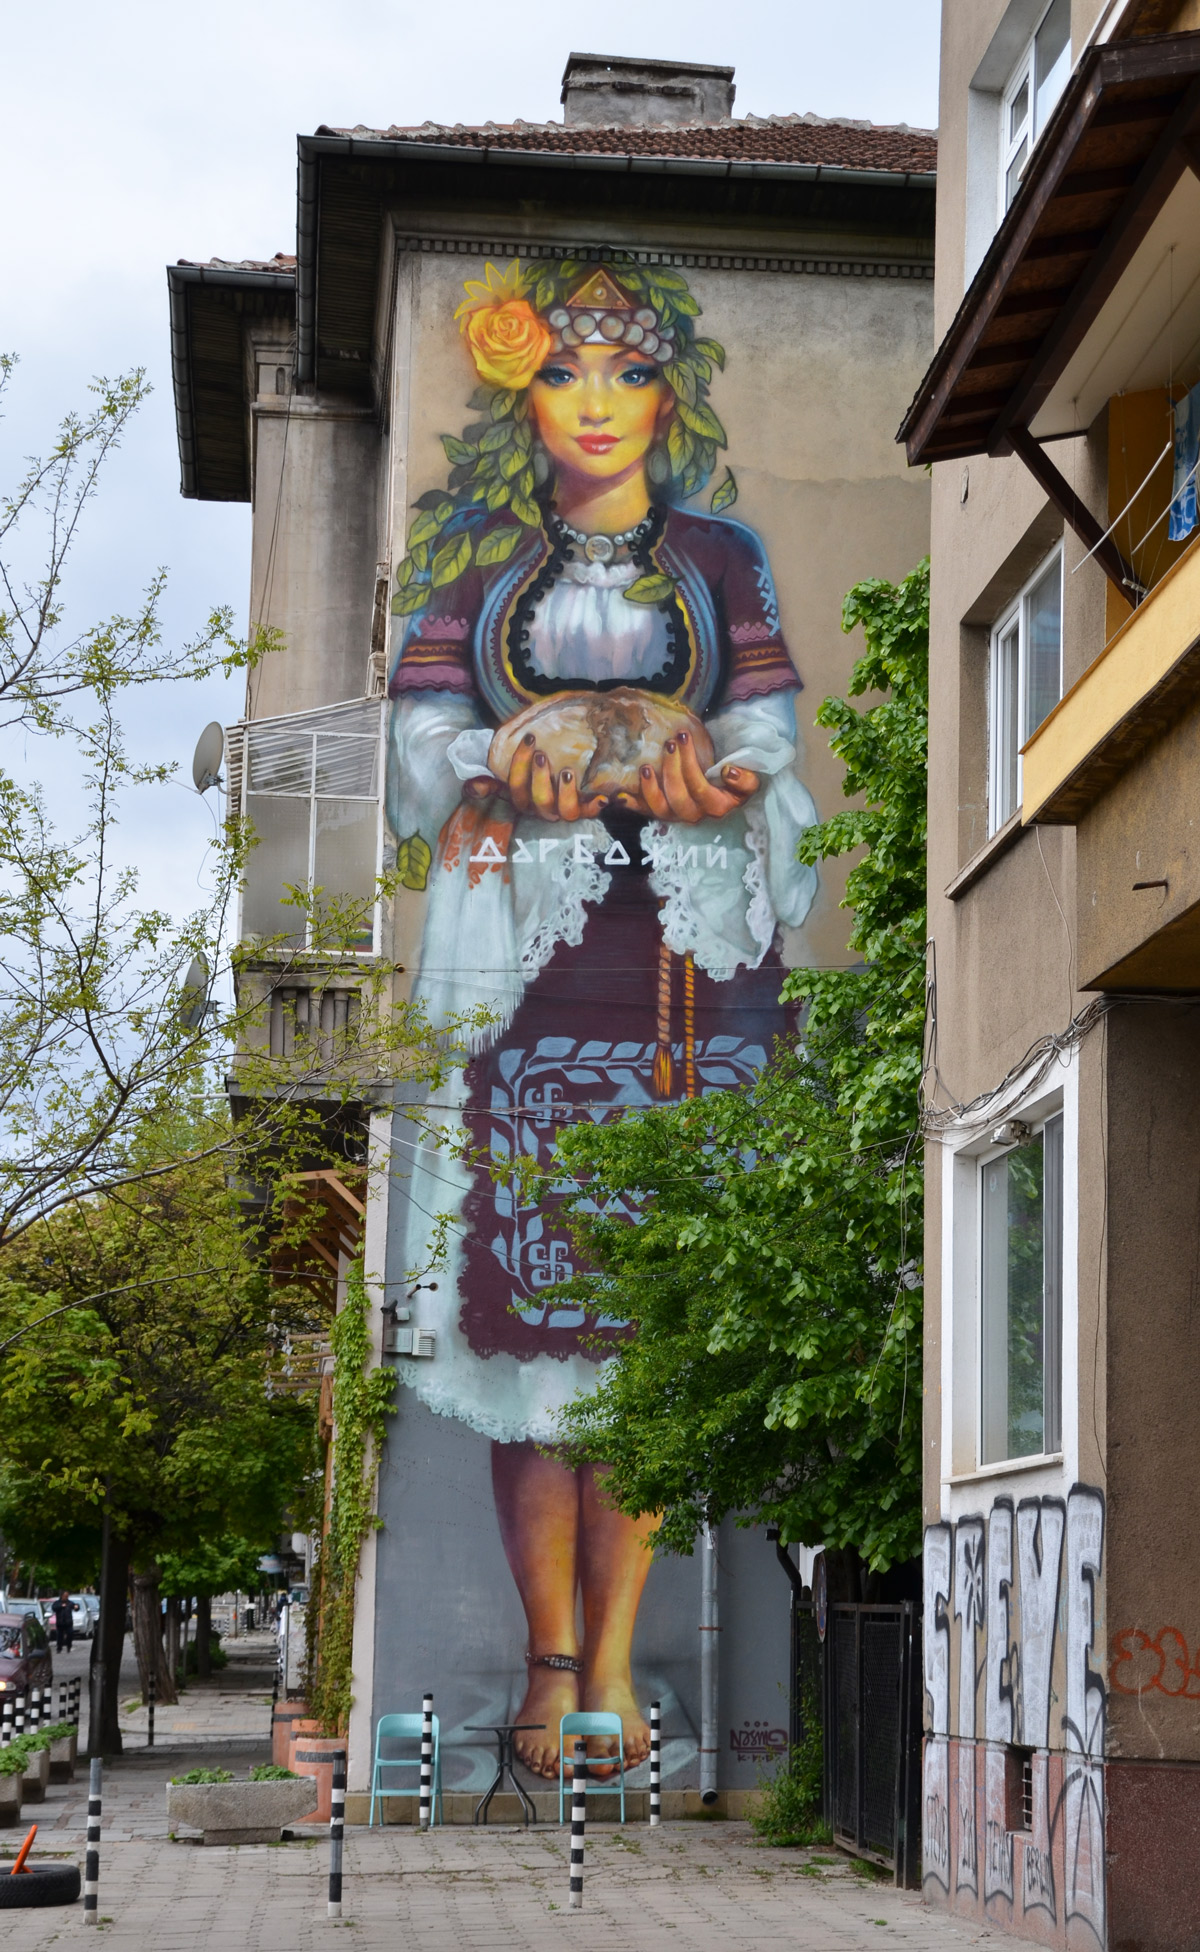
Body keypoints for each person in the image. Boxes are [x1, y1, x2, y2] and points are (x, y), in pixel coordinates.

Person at [386, 257, 818, 1782]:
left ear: (662, 396)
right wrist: (490, 765)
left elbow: (764, 715)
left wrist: (733, 779)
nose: (594, 403)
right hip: (524, 973)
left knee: (646, 1342)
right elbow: (420, 725)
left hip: (685, 968)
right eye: (566, 373)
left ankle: (621, 1676)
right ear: (530, 396)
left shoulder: (719, 552)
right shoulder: (480, 553)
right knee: (530, 1339)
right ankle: (547, 1674)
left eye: (623, 374)